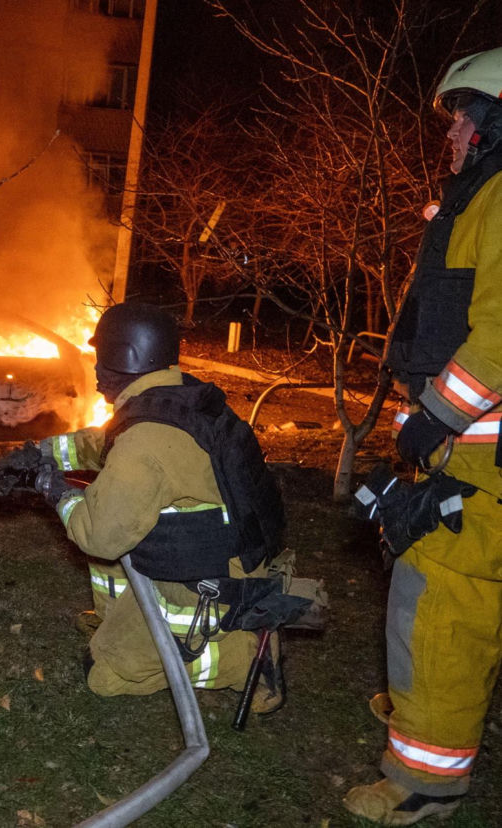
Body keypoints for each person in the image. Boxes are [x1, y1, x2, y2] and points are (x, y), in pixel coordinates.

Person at [0, 301, 320, 709]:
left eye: (100, 358)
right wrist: (42, 452)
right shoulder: (177, 401)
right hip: (229, 560)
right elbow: (108, 443)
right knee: (117, 519)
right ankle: (118, 621)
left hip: (205, 590)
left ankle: (242, 660)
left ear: (125, 358)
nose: (95, 370)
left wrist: (54, 489)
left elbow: (99, 536)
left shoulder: (146, 442)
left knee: (106, 675)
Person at [344, 46, 502, 826]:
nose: (451, 135)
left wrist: (433, 419)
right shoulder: (479, 202)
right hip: (471, 456)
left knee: (439, 616)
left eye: (464, 118)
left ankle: (424, 783)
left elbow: (499, 336)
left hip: (480, 464)